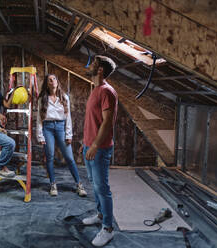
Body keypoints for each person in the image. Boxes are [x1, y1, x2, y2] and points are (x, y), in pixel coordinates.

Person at [81, 56, 118, 247]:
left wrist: (95, 145)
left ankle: (108, 229)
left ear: (101, 69)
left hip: (100, 149)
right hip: (90, 146)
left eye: (93, 64)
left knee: (102, 189)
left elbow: (107, 122)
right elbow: (93, 121)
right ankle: (101, 215)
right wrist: (86, 143)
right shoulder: (95, 89)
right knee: (95, 186)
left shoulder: (107, 91)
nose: (89, 66)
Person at [36, 74, 87, 197]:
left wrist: (69, 134)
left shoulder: (64, 97)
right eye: (49, 80)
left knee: (69, 158)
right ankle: (53, 184)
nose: (52, 81)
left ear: (57, 82)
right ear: (47, 84)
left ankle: (79, 184)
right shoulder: (42, 98)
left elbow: (68, 117)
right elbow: (39, 118)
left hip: (60, 127)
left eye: (54, 79)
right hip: (47, 128)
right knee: (50, 157)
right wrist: (40, 135)